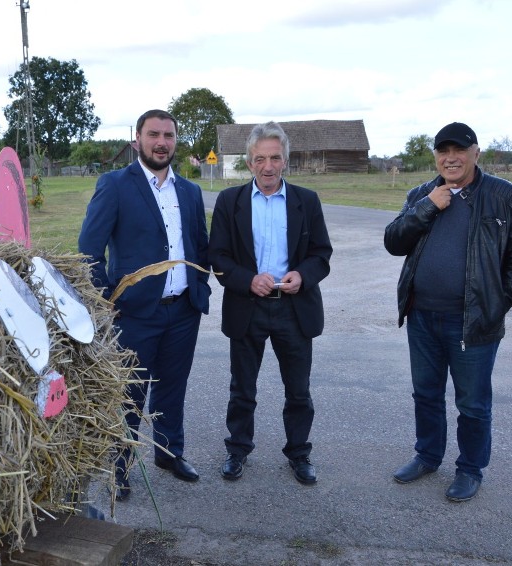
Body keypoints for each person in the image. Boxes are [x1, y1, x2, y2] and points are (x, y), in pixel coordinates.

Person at [385, 122, 512, 502]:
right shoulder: (422, 193)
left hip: (472, 321)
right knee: (425, 393)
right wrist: (427, 207)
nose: (450, 158)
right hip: (422, 316)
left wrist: (498, 301)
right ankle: (427, 456)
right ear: (436, 155)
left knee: (471, 403)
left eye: (459, 150)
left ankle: (470, 469)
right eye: (443, 151)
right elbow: (394, 241)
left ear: (475, 153)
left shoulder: (507, 198)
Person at [78, 109, 211, 500]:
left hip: (183, 311)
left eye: (168, 135)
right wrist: (109, 301)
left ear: (175, 141)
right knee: (130, 394)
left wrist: (198, 286)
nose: (161, 142)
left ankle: (170, 455)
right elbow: (88, 251)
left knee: (173, 388)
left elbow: (199, 246)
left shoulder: (189, 191)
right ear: (137, 139)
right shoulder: (116, 185)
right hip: (133, 314)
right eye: (153, 134)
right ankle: (119, 468)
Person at [208, 122, 332, 485]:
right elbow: (218, 255)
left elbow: (321, 254)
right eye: (260, 159)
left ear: (285, 161)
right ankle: (237, 450)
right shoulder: (230, 202)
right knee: (242, 388)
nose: (268, 166)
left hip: (294, 308)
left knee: (298, 390)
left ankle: (299, 453)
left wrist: (303, 276)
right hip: (248, 305)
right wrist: (248, 280)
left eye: (275, 158)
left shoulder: (306, 201)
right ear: (249, 163)